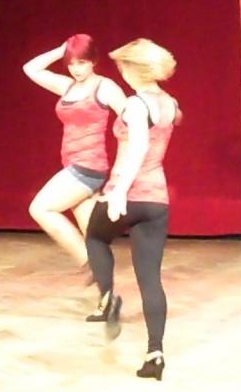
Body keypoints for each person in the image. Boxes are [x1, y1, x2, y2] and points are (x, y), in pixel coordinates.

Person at [84, 38, 181, 381]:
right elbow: (168, 128)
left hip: (128, 191)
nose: (120, 72)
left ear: (132, 68)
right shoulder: (169, 103)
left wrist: (119, 192)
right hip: (156, 198)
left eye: (122, 66)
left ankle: (108, 297)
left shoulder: (136, 105)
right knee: (150, 278)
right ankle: (155, 352)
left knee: (95, 237)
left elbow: (138, 147)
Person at [23, 34, 126, 276]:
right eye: (71, 64)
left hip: (88, 167)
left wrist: (121, 170)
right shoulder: (66, 86)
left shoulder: (105, 87)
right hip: (72, 164)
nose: (76, 69)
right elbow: (30, 69)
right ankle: (105, 284)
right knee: (92, 232)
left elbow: (130, 120)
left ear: (94, 61)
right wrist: (60, 51)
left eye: (82, 62)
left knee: (41, 209)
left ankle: (88, 262)